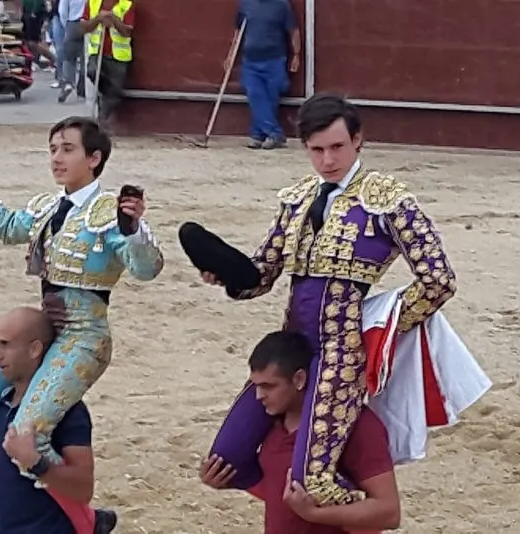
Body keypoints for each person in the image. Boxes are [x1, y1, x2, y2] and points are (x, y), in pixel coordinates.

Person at [196, 93, 458, 506]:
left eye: (337, 147)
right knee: (225, 462)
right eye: (317, 150)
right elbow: (262, 275)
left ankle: (371, 516)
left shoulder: (388, 200)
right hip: (291, 349)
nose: (328, 160)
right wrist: (227, 276)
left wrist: (382, 325)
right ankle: (288, 511)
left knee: (315, 483)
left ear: (358, 140)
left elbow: (439, 280)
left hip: (342, 352)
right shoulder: (298, 198)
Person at [0, 116, 163, 531]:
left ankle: (84, 519)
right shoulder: (47, 207)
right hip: (45, 333)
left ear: (94, 158)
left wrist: (133, 230)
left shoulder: (111, 213)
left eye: (68, 149)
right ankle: (48, 493)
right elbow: (9, 226)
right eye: (53, 149)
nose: (57, 158)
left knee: (27, 434)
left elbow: (146, 270)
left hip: (84, 339)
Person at [198, 331, 401, 534]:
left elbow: (389, 513)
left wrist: (314, 514)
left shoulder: (358, 426)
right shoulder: (271, 422)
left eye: (268, 386)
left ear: (299, 379)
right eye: (256, 386)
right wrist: (227, 480)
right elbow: (281, 489)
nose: (259, 396)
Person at [0, 306, 118, 534]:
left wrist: (37, 463)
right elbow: (1, 456)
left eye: (5, 345)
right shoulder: (2, 405)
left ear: (34, 349)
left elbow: (83, 489)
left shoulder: (69, 412)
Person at [232, 0, 301, 150]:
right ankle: (275, 134)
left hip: (275, 60)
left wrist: (296, 55)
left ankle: (257, 134)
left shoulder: (282, 5)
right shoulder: (245, 4)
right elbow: (238, 31)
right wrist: (231, 55)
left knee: (270, 98)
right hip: (250, 60)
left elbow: (293, 31)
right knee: (255, 94)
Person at [77, 0, 135, 122]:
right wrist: (98, 19)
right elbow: (83, 28)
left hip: (118, 57)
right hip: (97, 52)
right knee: (92, 71)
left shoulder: (126, 4)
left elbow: (127, 32)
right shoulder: (92, 3)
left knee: (113, 94)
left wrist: (113, 19)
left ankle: (101, 120)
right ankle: (108, 92)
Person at [57, 0, 89, 102]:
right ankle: (83, 88)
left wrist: (66, 25)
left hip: (73, 22)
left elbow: (62, 11)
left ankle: (68, 82)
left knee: (69, 57)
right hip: (89, 23)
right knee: (85, 57)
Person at [22, 0, 59, 68]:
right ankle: (32, 62)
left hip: (35, 14)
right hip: (28, 12)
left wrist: (34, 11)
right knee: (27, 41)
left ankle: (53, 58)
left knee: (32, 42)